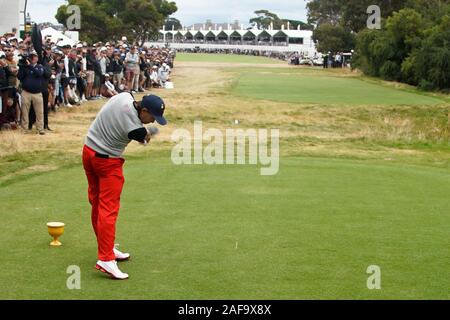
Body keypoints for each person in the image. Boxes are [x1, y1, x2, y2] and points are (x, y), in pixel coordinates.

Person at [82, 93, 167, 280]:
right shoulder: (134, 127)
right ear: (143, 110)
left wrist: (148, 131)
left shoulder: (124, 97)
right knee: (108, 209)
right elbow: (143, 138)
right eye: (152, 116)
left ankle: (107, 248)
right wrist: (150, 133)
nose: (152, 120)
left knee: (97, 203)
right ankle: (105, 258)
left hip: (88, 151)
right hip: (107, 162)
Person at [18, 51, 46, 135]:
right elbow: (19, 77)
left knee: (39, 112)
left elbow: (39, 74)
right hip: (26, 92)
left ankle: (40, 129)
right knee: (25, 111)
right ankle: (24, 129)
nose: (32, 58)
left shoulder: (39, 66)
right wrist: (22, 67)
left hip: (37, 93)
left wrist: (30, 66)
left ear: (37, 58)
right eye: (31, 57)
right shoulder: (25, 67)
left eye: (34, 56)